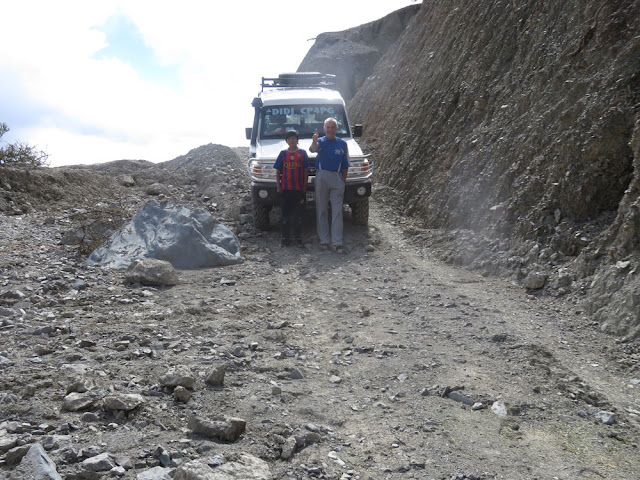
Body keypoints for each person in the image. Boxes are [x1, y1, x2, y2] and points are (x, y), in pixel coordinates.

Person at [309, 117, 349, 253]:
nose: (331, 130)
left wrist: (343, 180)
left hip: (336, 178)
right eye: (328, 127)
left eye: (333, 127)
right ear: (324, 129)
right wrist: (314, 140)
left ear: (336, 129)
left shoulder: (342, 144)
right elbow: (313, 149)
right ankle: (324, 240)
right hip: (322, 177)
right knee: (322, 209)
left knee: (337, 211)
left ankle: (337, 242)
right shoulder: (320, 141)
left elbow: (345, 164)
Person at [273, 130, 310, 247]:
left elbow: (305, 170)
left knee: (298, 215)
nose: (292, 140)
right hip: (285, 189)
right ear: (286, 141)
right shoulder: (282, 154)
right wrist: (278, 185)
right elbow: (278, 171)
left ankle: (298, 238)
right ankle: (285, 239)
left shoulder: (303, 153)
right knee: (285, 215)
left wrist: (304, 186)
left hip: (299, 190)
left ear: (297, 140)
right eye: (289, 139)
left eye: (294, 138)